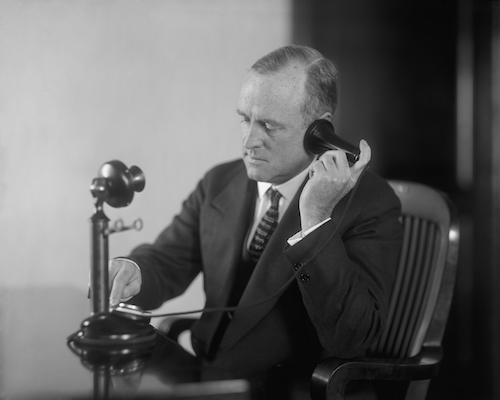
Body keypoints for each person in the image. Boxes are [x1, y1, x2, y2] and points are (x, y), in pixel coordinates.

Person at [108, 45, 402, 396]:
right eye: (245, 119)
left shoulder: (371, 202)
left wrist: (316, 221)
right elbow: (169, 259)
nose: (248, 141)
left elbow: (353, 336)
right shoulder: (219, 182)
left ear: (320, 131)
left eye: (269, 126)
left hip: (284, 389)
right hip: (203, 375)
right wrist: (135, 271)